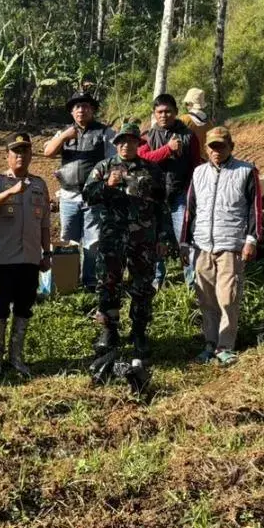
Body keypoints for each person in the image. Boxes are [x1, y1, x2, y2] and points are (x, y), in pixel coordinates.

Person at [83, 122, 170, 395]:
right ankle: (109, 331)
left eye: (131, 141)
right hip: (112, 239)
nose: (126, 145)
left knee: (142, 287)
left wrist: (165, 237)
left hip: (143, 239)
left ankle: (139, 332)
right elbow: (88, 195)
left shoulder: (152, 170)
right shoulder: (104, 167)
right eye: (121, 141)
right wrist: (107, 186)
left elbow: (162, 206)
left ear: (137, 143)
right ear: (116, 143)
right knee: (108, 285)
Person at [182, 126, 262, 366]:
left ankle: (225, 345)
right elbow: (190, 209)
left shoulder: (246, 172)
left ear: (231, 147)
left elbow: (254, 209)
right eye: (212, 147)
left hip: (231, 244)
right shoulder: (198, 173)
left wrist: (251, 239)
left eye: (221, 147)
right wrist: (185, 242)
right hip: (202, 244)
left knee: (228, 297)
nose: (216, 151)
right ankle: (209, 343)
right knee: (206, 298)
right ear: (206, 149)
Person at [0, 132, 53, 377]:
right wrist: (11, 193)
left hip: (30, 258)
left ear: (31, 155)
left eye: (25, 151)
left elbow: (44, 223)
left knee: (24, 308)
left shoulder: (40, 185)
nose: (20, 156)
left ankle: (16, 357)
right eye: (16, 151)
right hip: (4, 259)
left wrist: (47, 253)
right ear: (7, 156)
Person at [43, 90, 115, 289]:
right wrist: (66, 136)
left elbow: (113, 160)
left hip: (94, 196)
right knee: (68, 239)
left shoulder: (105, 132)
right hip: (68, 195)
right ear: (72, 112)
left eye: (85, 106)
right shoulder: (64, 132)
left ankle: (89, 280)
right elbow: (48, 152)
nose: (81, 110)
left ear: (92, 109)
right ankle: (68, 281)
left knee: (92, 242)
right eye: (77, 107)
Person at [138, 94, 200, 288]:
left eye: (168, 111)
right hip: (155, 195)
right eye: (160, 112)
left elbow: (195, 165)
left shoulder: (188, 136)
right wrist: (168, 149)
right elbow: (143, 159)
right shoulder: (148, 136)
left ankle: (191, 280)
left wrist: (192, 192)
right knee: (156, 237)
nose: (164, 115)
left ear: (176, 113)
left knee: (184, 238)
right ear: (154, 114)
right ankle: (158, 279)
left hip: (179, 194)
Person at [180, 88, 213, 161]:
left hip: (188, 162)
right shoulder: (209, 123)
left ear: (190, 104)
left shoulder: (184, 120)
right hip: (206, 162)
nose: (186, 106)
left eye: (186, 103)